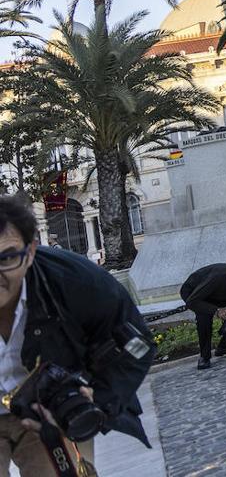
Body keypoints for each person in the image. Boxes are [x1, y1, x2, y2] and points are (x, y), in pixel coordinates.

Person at [0, 195, 154, 476]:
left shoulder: (76, 281)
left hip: (49, 411)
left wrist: (95, 397)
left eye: (7, 257)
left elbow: (137, 344)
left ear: (31, 250)